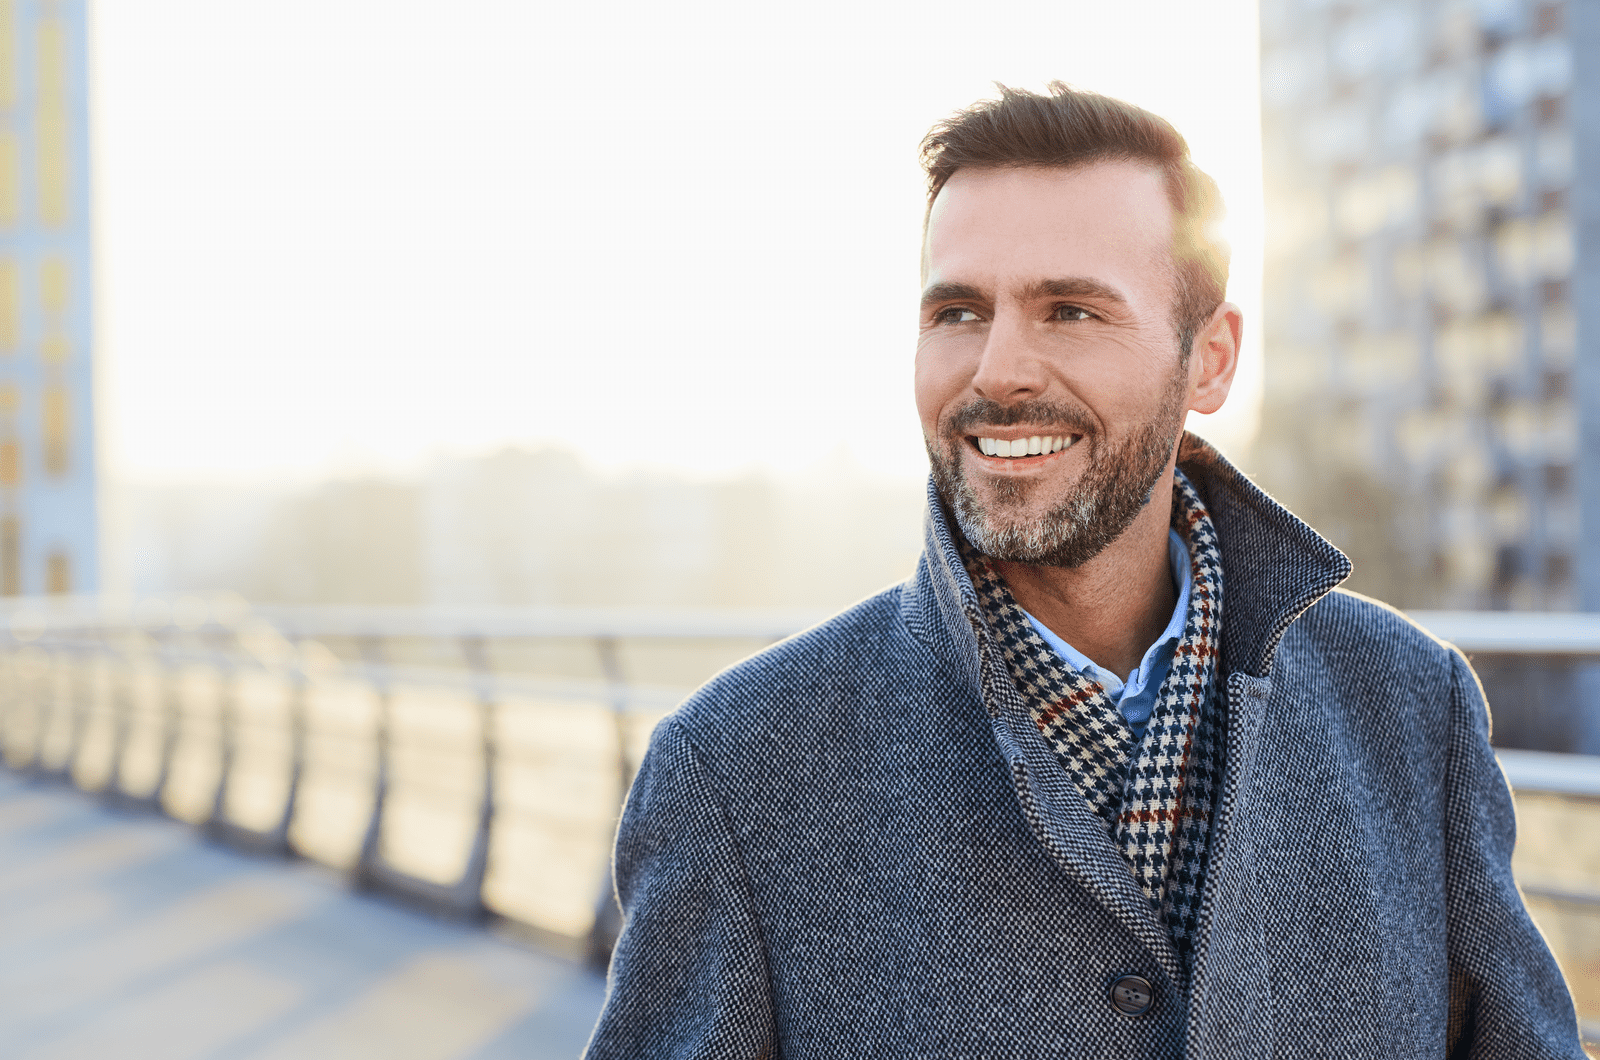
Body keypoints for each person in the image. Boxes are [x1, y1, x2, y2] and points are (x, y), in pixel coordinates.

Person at [584, 83, 1585, 1058]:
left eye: (1069, 311)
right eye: (959, 312)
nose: (998, 370)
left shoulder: (1411, 707)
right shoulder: (735, 771)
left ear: (1211, 359)